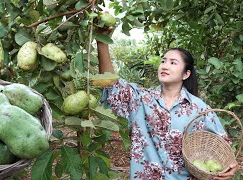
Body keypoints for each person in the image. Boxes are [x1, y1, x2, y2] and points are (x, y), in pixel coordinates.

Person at [96, 34, 239, 179]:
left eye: (173, 62)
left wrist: (230, 166)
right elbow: (110, 85)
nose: (165, 65)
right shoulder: (141, 99)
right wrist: (102, 42)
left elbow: (222, 146)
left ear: (186, 74)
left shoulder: (199, 109)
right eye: (163, 61)